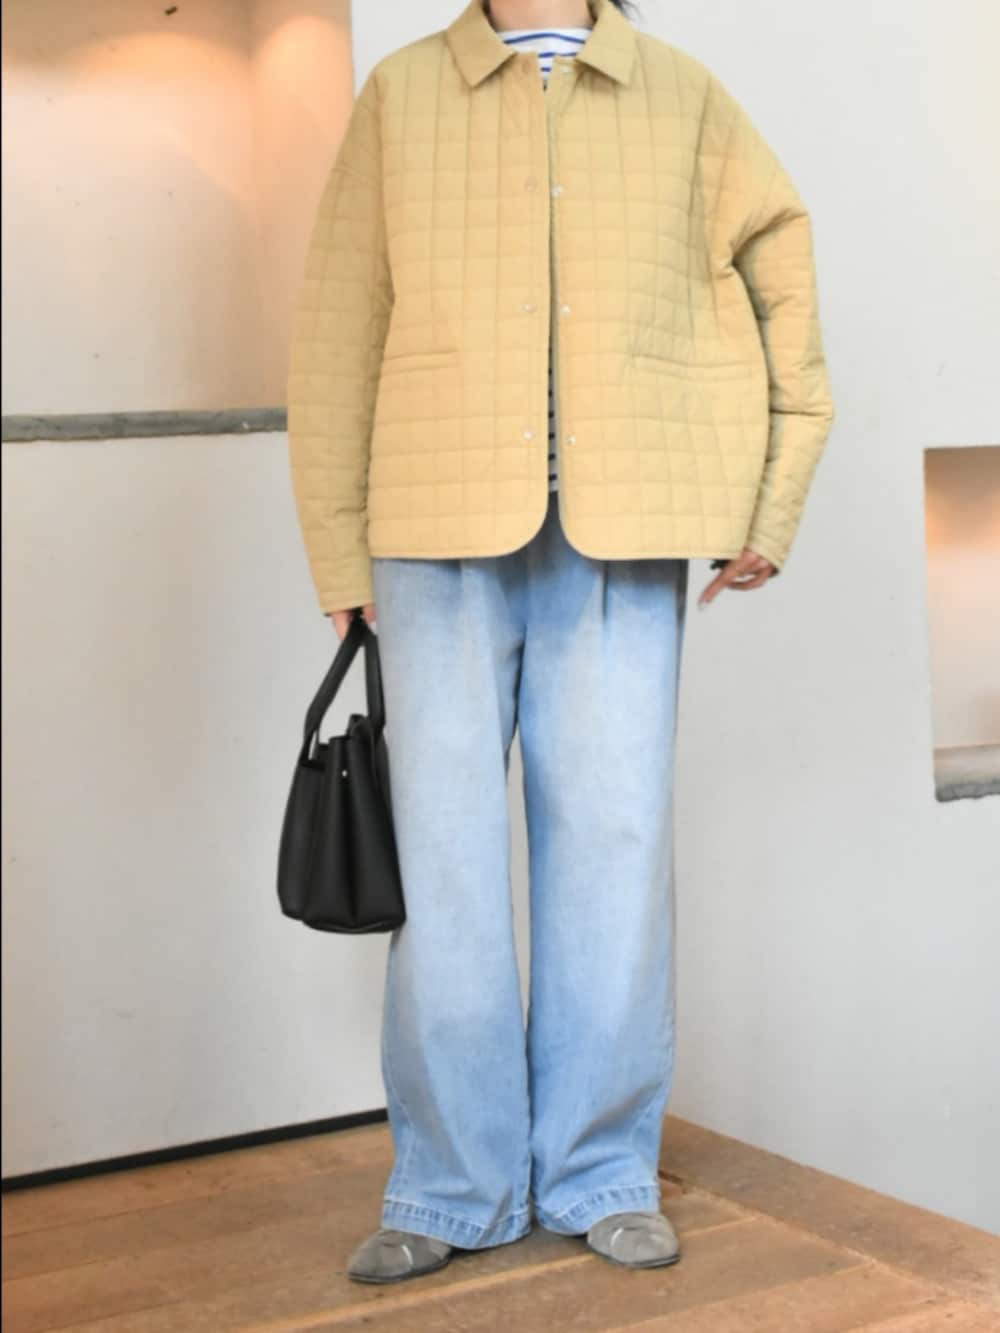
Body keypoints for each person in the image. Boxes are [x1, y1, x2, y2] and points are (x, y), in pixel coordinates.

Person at [286, 0, 834, 1284]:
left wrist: (770, 502)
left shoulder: (681, 93)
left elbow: (785, 285)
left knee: (614, 855)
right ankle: (449, 1182)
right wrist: (337, 548)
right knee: (445, 868)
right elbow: (337, 327)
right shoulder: (404, 94)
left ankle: (600, 1172)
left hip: (624, 529)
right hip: (432, 532)